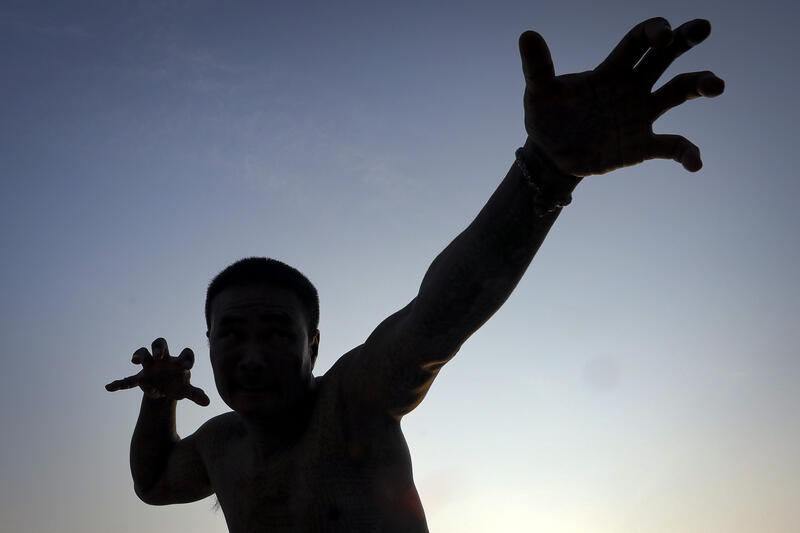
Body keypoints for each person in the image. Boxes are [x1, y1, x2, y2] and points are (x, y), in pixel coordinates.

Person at [106, 17, 725, 532]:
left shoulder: (353, 400)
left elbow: (440, 314)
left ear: (313, 345)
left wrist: (547, 171)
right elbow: (154, 482)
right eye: (231, 334)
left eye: (276, 332)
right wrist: (158, 401)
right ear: (207, 342)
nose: (252, 353)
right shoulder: (221, 446)